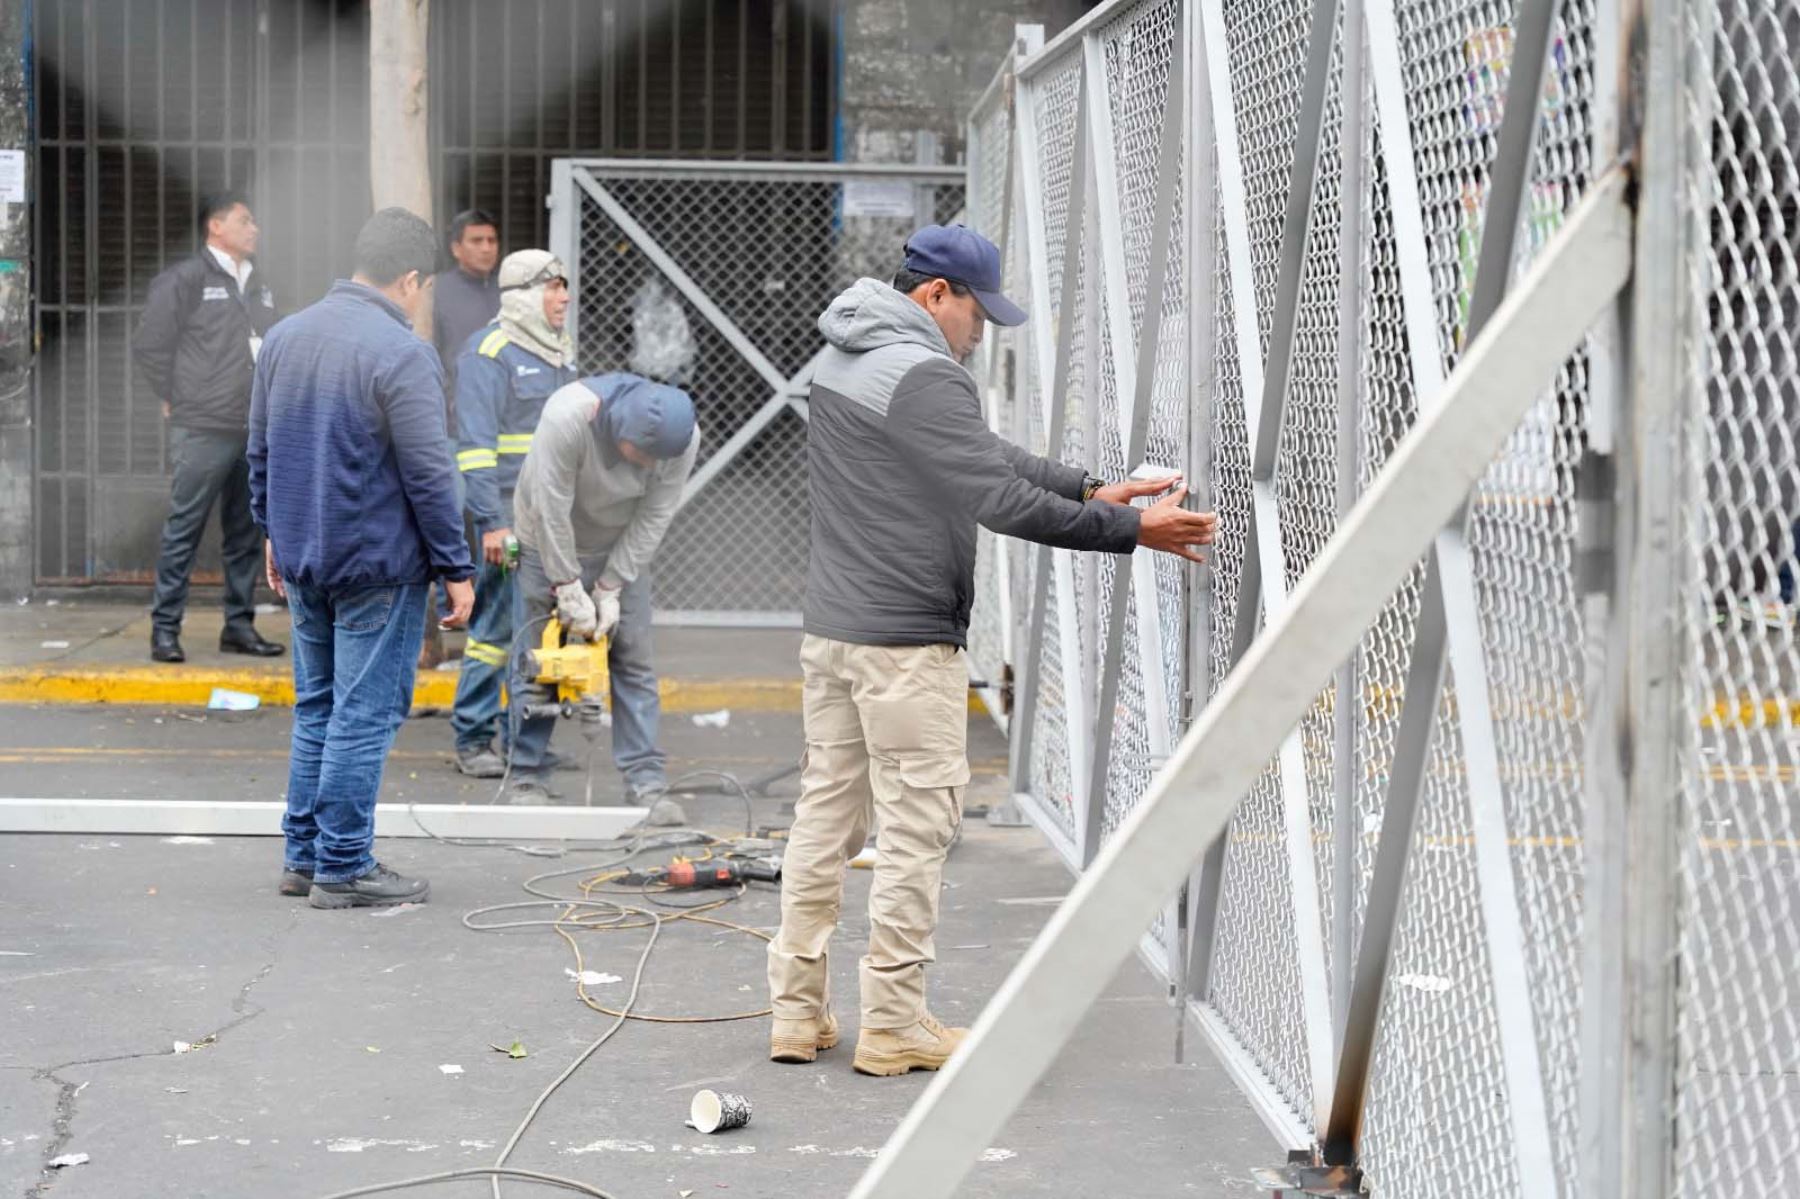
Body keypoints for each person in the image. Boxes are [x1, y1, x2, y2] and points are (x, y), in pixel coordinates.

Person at [766, 224, 1219, 1076]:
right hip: (904, 640)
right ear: (937, 295)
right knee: (915, 827)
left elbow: (979, 458)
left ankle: (797, 1011)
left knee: (825, 817)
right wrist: (1130, 528)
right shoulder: (926, 374)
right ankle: (893, 1022)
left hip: (832, 631)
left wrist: (1088, 486)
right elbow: (994, 496)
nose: (982, 332)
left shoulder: (845, 354)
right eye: (978, 312)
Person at [248, 207, 476, 910]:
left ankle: (304, 856)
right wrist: (456, 567)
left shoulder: (284, 337)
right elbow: (430, 474)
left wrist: (271, 532)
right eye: (423, 286)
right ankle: (344, 864)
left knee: (317, 706)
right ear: (410, 279)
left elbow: (259, 450)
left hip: (305, 558)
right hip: (377, 563)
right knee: (362, 713)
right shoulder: (401, 352)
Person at [507, 373, 699, 818]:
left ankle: (646, 780)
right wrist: (567, 585)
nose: (650, 467)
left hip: (617, 546)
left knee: (632, 657)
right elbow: (549, 507)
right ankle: (526, 774)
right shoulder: (568, 417)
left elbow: (656, 514)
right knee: (542, 660)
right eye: (643, 456)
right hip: (545, 541)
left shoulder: (682, 440)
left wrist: (612, 585)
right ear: (620, 432)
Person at [136, 191, 284, 663]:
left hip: (251, 425)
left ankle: (238, 627)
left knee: (245, 532)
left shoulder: (260, 283)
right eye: (245, 220)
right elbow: (150, 345)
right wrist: (174, 395)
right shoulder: (186, 279)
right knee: (185, 527)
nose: (254, 228)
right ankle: (165, 629)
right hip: (202, 424)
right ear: (215, 227)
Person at [448, 250, 578, 779]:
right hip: (505, 509)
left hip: (552, 510)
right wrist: (492, 523)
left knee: (541, 629)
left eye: (564, 288)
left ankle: (524, 740)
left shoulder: (558, 353)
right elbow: (475, 448)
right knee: (496, 625)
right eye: (552, 288)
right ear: (523, 294)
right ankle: (474, 737)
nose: (563, 298)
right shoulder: (489, 352)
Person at [431, 207, 501, 395]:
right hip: (457, 401)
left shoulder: (508, 291)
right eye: (476, 241)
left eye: (491, 240)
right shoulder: (436, 292)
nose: (486, 248)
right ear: (456, 248)